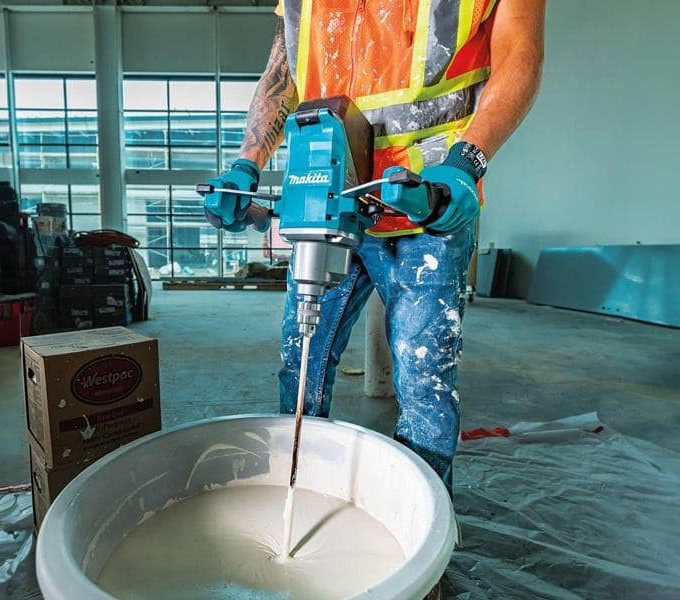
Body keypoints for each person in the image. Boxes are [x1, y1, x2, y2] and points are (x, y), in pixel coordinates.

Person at [204, 0, 545, 492]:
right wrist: (247, 162)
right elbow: (282, 72)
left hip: (426, 202)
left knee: (424, 383)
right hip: (328, 198)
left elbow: (519, 55)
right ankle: (299, 499)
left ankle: (419, 529)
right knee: (302, 363)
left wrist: (467, 161)